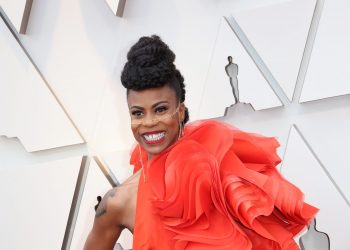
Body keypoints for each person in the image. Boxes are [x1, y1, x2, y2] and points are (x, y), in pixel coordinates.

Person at [84, 35, 318, 250]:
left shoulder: (225, 172)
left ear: (181, 110)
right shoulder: (118, 202)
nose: (149, 122)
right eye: (137, 113)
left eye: (161, 109)